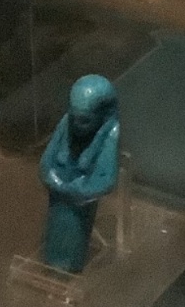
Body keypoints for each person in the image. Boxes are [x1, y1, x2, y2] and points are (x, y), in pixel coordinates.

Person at [39, 74, 120, 273]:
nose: (76, 124)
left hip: (79, 208)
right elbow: (45, 164)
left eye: (84, 120)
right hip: (58, 201)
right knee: (54, 248)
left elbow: (105, 179)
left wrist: (77, 189)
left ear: (102, 116)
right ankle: (54, 264)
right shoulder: (67, 123)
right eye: (74, 117)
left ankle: (70, 267)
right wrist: (56, 181)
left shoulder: (110, 133)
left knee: (71, 254)